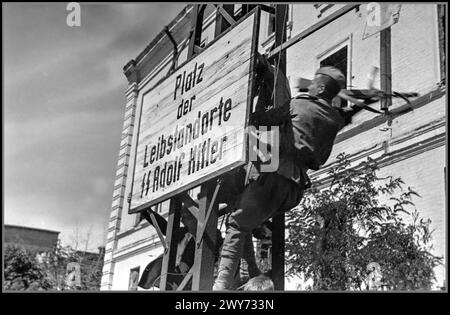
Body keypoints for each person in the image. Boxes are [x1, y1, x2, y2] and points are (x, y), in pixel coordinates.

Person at [212, 66, 347, 290]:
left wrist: (259, 104)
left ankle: (221, 284)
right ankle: (253, 273)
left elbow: (262, 118)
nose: (309, 86)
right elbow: (318, 159)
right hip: (294, 190)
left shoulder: (298, 104)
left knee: (236, 224)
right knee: (247, 218)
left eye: (313, 83)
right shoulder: (334, 121)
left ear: (322, 87)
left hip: (273, 175)